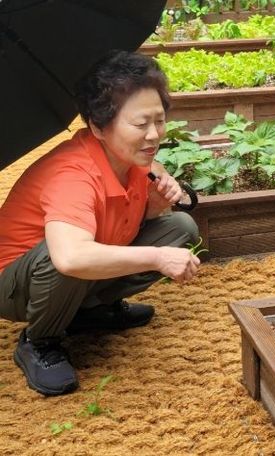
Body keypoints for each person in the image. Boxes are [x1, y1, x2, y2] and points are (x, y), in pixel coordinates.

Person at [0, 51, 201, 396]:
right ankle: (40, 341)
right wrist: (158, 258)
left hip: (69, 264)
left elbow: (119, 224)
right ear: (97, 126)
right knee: (63, 256)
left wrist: (155, 205)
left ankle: (87, 312)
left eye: (160, 120)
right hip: (15, 284)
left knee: (180, 228)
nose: (154, 134)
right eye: (140, 124)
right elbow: (70, 258)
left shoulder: (132, 158)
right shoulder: (73, 175)